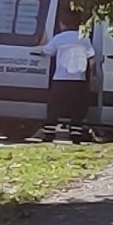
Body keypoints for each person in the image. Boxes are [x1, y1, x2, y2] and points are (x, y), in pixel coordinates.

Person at [32, 9, 96, 143]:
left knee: (54, 107)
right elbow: (91, 59)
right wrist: (91, 76)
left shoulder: (59, 38)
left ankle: (49, 134)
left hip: (61, 78)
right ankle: (75, 135)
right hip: (78, 79)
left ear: (62, 24)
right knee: (77, 108)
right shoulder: (84, 38)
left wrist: (33, 51)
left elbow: (47, 51)